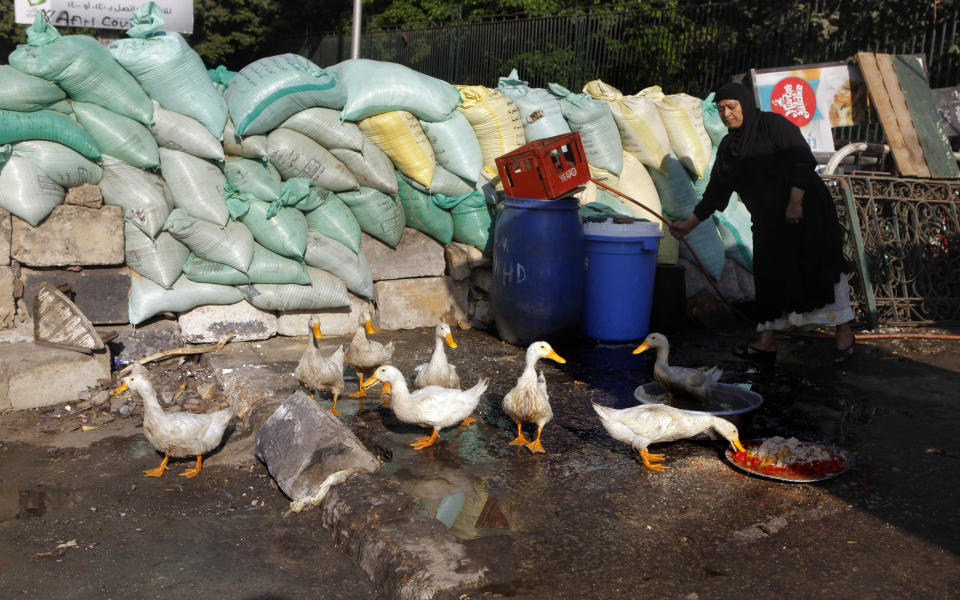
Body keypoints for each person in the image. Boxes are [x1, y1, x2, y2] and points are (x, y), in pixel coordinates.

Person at [669, 81, 855, 365]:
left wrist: (795, 201)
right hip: (769, 223)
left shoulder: (772, 125)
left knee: (820, 269)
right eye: (721, 109)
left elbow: (801, 159)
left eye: (732, 106)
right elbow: (717, 191)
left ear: (744, 103)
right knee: (769, 277)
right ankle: (766, 341)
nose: (727, 114)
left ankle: (844, 333)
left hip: (807, 211)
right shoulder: (731, 146)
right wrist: (689, 224)